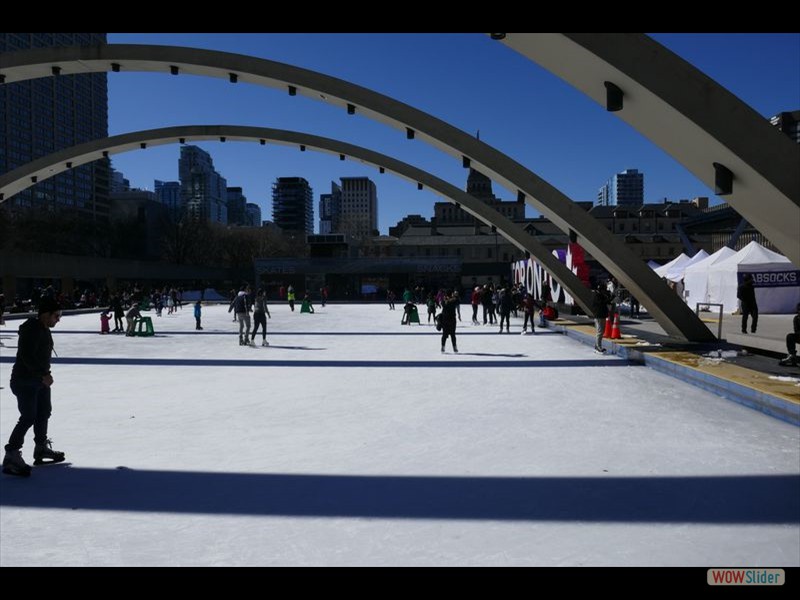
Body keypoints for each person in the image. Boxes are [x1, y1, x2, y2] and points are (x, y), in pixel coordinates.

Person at [3, 297, 65, 476]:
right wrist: (43, 375)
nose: (58, 319)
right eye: (56, 315)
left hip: (39, 380)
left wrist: (44, 376)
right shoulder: (31, 329)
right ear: (46, 314)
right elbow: (26, 356)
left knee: (44, 412)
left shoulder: (44, 329)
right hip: (24, 381)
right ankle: (11, 454)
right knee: (28, 416)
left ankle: (40, 448)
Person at [591, 282, 610, 354]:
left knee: (601, 331)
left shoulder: (599, 295)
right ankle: (598, 347)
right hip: (599, 316)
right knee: (600, 331)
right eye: (604, 289)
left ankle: (597, 345)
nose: (605, 291)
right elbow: (602, 303)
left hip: (601, 315)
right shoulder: (597, 296)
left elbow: (604, 302)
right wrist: (609, 299)